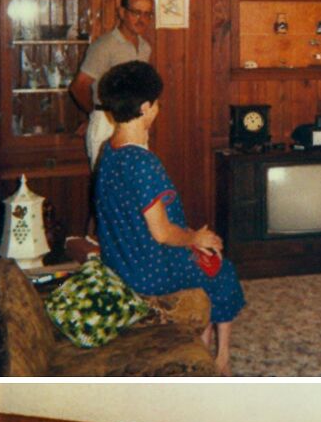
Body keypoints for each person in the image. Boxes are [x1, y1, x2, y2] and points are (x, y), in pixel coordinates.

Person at [95, 60, 245, 375]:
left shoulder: (108, 151)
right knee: (221, 269)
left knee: (201, 257)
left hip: (121, 258)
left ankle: (201, 346)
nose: (158, 108)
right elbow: (163, 233)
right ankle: (223, 359)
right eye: (157, 103)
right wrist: (194, 238)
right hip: (147, 269)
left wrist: (190, 237)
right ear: (146, 107)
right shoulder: (143, 163)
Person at [69, 0, 154, 169]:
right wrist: (94, 114)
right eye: (136, 12)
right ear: (122, 12)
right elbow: (79, 86)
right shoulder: (104, 46)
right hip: (107, 123)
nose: (142, 19)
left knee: (133, 187)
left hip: (135, 123)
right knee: (108, 187)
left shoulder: (145, 47)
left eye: (147, 14)